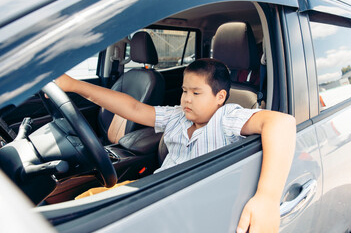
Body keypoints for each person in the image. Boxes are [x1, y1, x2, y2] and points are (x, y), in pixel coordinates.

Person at [55, 58, 296, 233]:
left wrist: (267, 198)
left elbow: (282, 122)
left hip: (188, 206)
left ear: (220, 97)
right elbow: (133, 108)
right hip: (157, 190)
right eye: (184, 91)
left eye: (196, 93)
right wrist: (74, 85)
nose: (186, 99)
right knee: (82, 205)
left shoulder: (226, 118)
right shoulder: (178, 116)